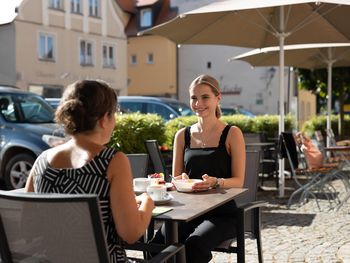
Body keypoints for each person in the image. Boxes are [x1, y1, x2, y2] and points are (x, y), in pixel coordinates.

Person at [24, 79, 154, 263]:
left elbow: (27, 226)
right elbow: (131, 234)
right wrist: (147, 202)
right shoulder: (112, 161)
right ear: (103, 120)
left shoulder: (42, 160)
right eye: (114, 115)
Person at [152, 74, 246, 263]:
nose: (198, 103)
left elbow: (238, 181)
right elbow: (175, 179)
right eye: (194, 98)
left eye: (205, 97)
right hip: (188, 212)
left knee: (195, 246)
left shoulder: (232, 133)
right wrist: (180, 180)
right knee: (156, 245)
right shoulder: (182, 135)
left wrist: (216, 182)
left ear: (218, 97)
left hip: (223, 214)